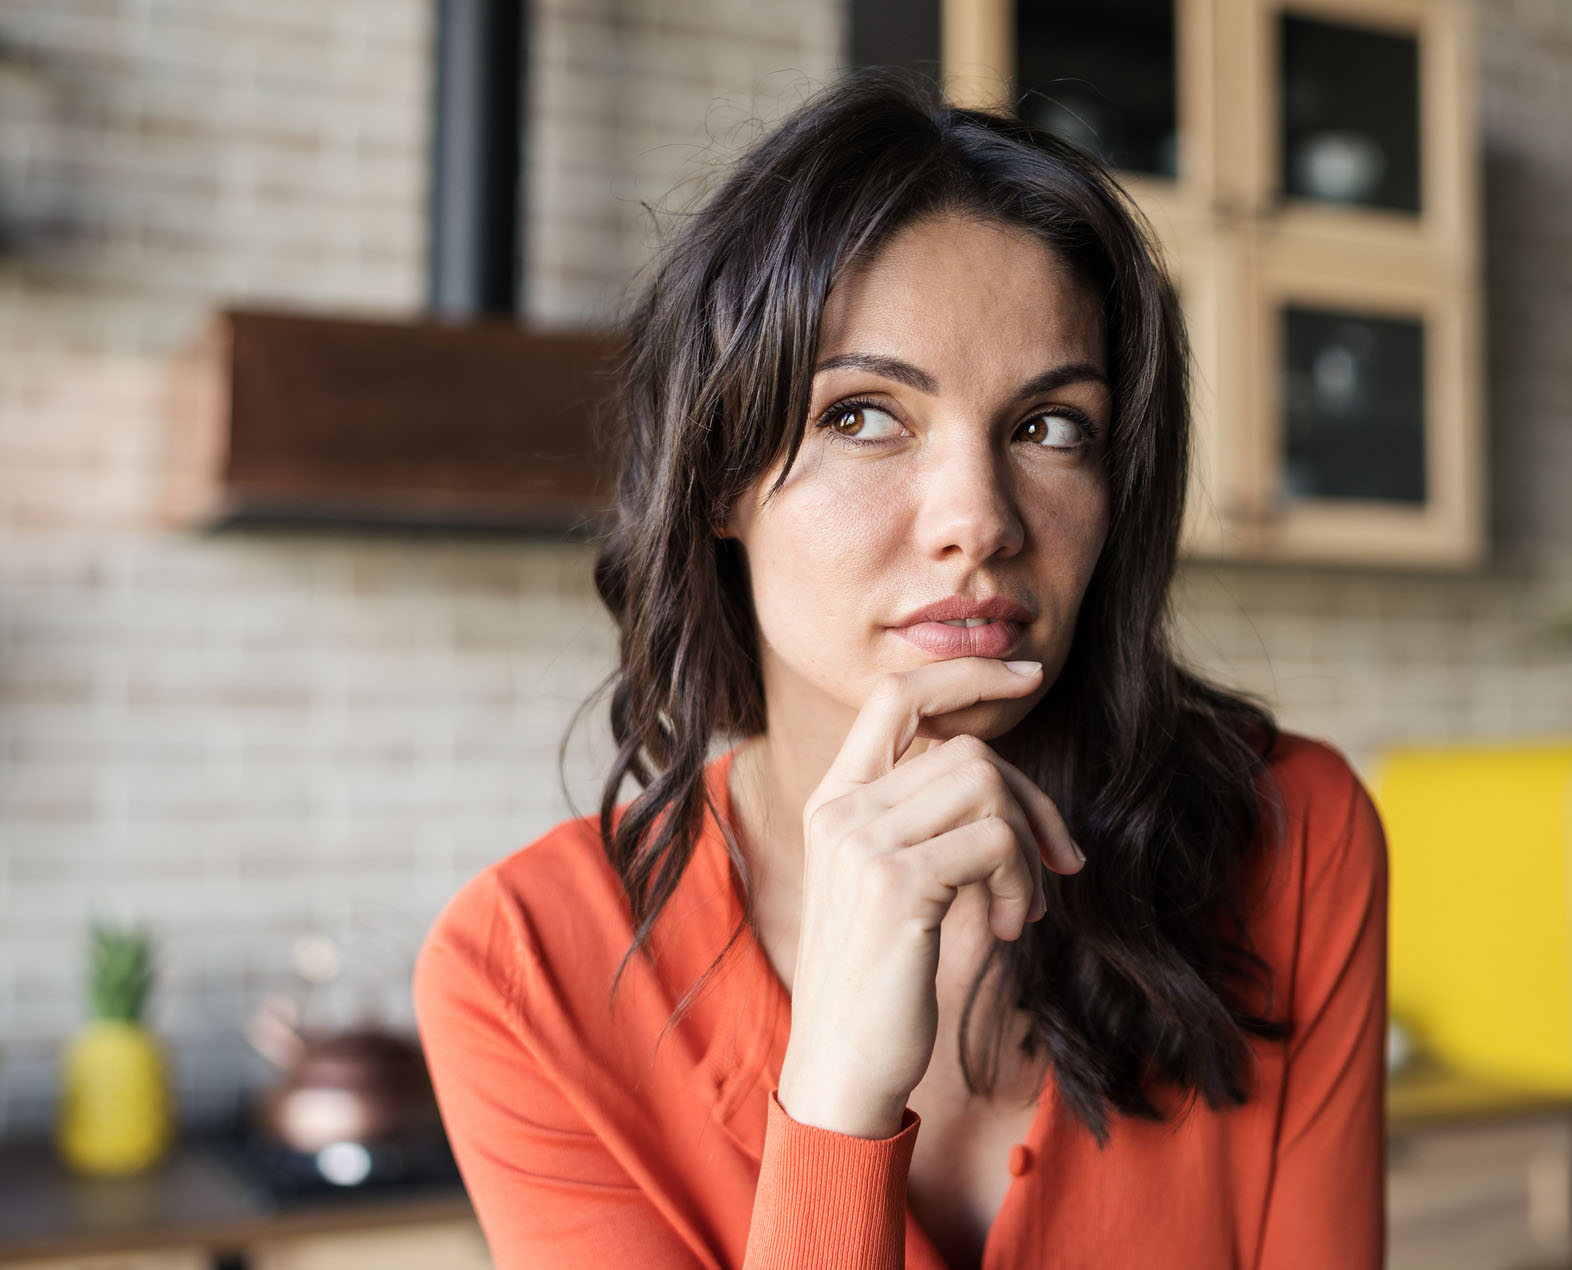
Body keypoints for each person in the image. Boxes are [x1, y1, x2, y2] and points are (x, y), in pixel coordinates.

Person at [413, 70, 1388, 1270]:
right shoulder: (526, 970)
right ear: (719, 476)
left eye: (1049, 427)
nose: (978, 520)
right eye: (864, 415)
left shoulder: (1293, 834)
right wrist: (832, 1102)